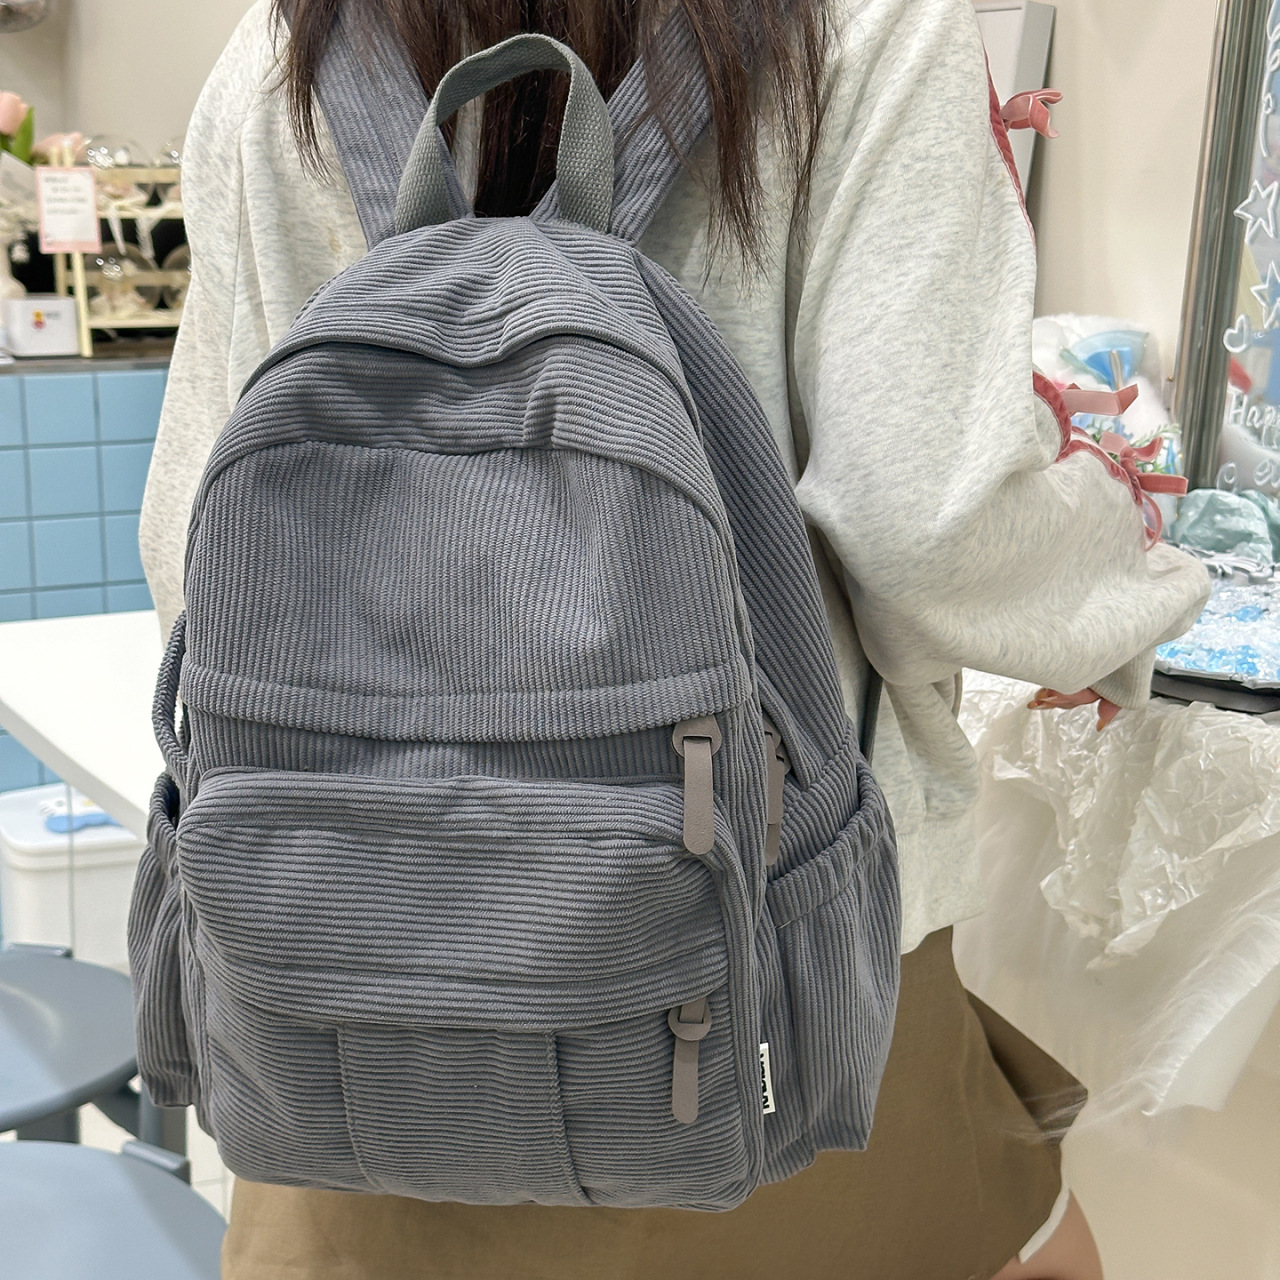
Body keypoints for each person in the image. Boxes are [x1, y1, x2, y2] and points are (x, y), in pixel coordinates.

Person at [138, 0, 1210, 1275]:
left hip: (341, 1034)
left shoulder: (279, 58)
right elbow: (933, 537)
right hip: (749, 1022)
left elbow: (187, 547)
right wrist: (1135, 568)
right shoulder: (860, 27)